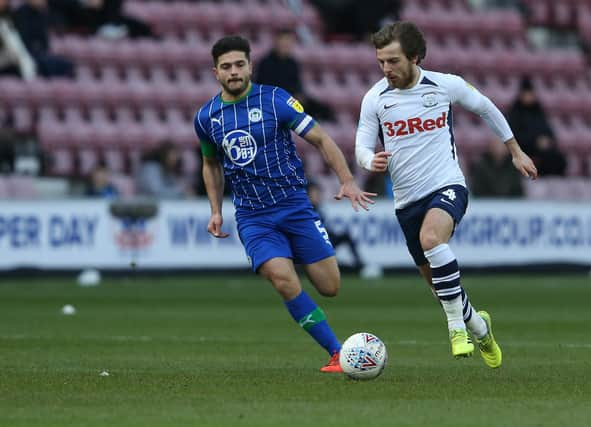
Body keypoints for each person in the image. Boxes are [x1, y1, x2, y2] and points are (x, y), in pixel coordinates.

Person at [355, 22, 538, 368]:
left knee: (431, 237)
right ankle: (480, 327)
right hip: (406, 201)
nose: (386, 69)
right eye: (381, 62)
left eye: (393, 61)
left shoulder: (444, 84)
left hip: (447, 184)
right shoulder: (375, 98)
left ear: (414, 57)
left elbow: (486, 107)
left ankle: (456, 328)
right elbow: (362, 145)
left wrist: (515, 150)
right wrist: (369, 159)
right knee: (442, 288)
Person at [195, 35, 375, 373]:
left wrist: (347, 181)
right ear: (215, 72)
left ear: (249, 66)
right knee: (281, 277)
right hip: (253, 216)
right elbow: (211, 165)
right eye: (226, 67)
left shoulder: (276, 100)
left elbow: (321, 138)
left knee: (330, 287)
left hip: (295, 206)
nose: (233, 72)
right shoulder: (206, 118)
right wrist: (216, 210)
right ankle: (337, 352)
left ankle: (300, 269)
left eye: (239, 64)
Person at [255, 28, 335, 122]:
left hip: (292, 99)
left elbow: (297, 85)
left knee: (323, 109)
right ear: (277, 42)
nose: (286, 45)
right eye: (284, 41)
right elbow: (264, 87)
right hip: (274, 100)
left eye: (289, 42)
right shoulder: (266, 63)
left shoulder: (293, 63)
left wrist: (299, 95)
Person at [307, 180, 364, 271]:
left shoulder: (317, 208)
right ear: (308, 194)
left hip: (324, 240)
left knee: (345, 236)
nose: (317, 196)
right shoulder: (307, 209)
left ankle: (359, 264)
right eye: (314, 193)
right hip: (315, 243)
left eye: (318, 193)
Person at [13, 0, 75, 78]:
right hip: (27, 54)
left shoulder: (42, 13)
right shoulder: (21, 13)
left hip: (41, 52)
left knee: (66, 65)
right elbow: (23, 39)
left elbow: (45, 39)